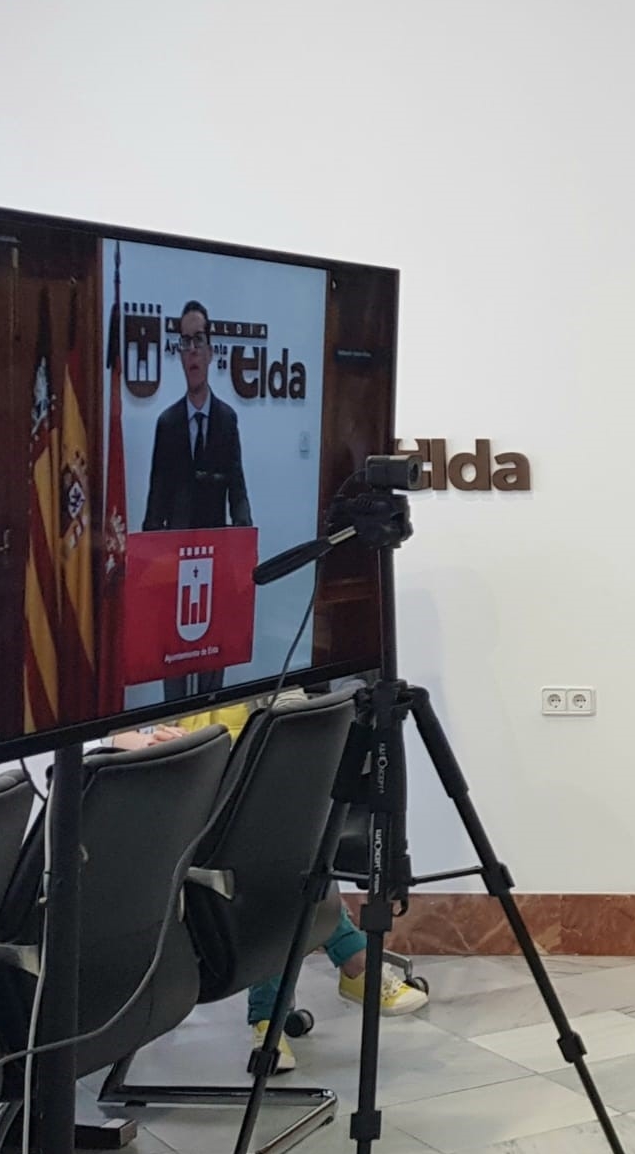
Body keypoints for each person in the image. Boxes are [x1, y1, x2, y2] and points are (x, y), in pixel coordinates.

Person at [113, 696, 428, 1075]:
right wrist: (143, 742)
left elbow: (295, 713)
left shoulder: (254, 666)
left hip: (242, 802)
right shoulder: (142, 674)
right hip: (170, 805)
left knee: (273, 866)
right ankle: (351, 965)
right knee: (278, 870)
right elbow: (105, 731)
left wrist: (257, 747)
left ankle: (270, 1021)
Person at [141, 300, 252, 701]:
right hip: (174, 564)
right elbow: (156, 499)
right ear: (180, 353)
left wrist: (243, 550)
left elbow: (237, 488)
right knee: (173, 662)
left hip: (216, 562)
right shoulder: (167, 423)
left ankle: (211, 723)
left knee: (212, 665)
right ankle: (172, 727)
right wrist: (148, 563)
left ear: (210, 351)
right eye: (184, 342)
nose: (191, 350)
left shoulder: (227, 420)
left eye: (198, 340)